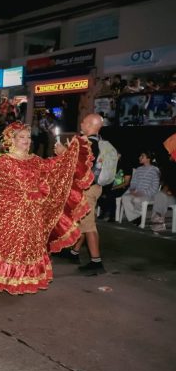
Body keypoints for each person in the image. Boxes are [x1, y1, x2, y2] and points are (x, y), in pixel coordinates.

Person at [0, 122, 93, 294]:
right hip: (11, 213)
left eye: (28, 137)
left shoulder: (36, 160)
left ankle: (23, 279)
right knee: (11, 246)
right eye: (21, 137)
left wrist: (68, 153)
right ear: (12, 140)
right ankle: (9, 278)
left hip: (34, 213)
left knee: (29, 246)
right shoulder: (5, 160)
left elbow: (56, 169)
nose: (26, 140)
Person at [56, 114, 106, 274]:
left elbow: (79, 166)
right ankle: (74, 253)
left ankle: (96, 262)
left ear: (90, 124)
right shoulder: (97, 142)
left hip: (88, 189)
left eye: (84, 122)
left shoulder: (88, 142)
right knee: (82, 221)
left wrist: (64, 152)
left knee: (89, 226)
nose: (81, 124)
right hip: (94, 187)